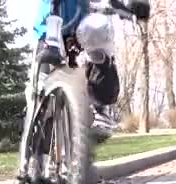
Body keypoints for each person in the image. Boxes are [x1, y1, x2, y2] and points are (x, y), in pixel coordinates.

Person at [27, 0, 150, 139]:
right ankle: (35, 117)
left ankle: (101, 108)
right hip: (47, 32)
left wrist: (130, 8)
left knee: (97, 29)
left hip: (78, 32)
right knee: (41, 85)